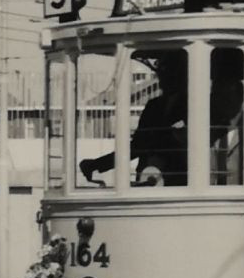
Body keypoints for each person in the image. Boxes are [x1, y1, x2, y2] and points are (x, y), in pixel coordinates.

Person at [80, 52, 188, 186]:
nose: (160, 75)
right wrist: (98, 164)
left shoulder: (193, 106)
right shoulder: (154, 106)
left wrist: (97, 164)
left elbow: (142, 145)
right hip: (148, 177)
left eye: (166, 70)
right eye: (161, 70)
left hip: (180, 181)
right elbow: (138, 145)